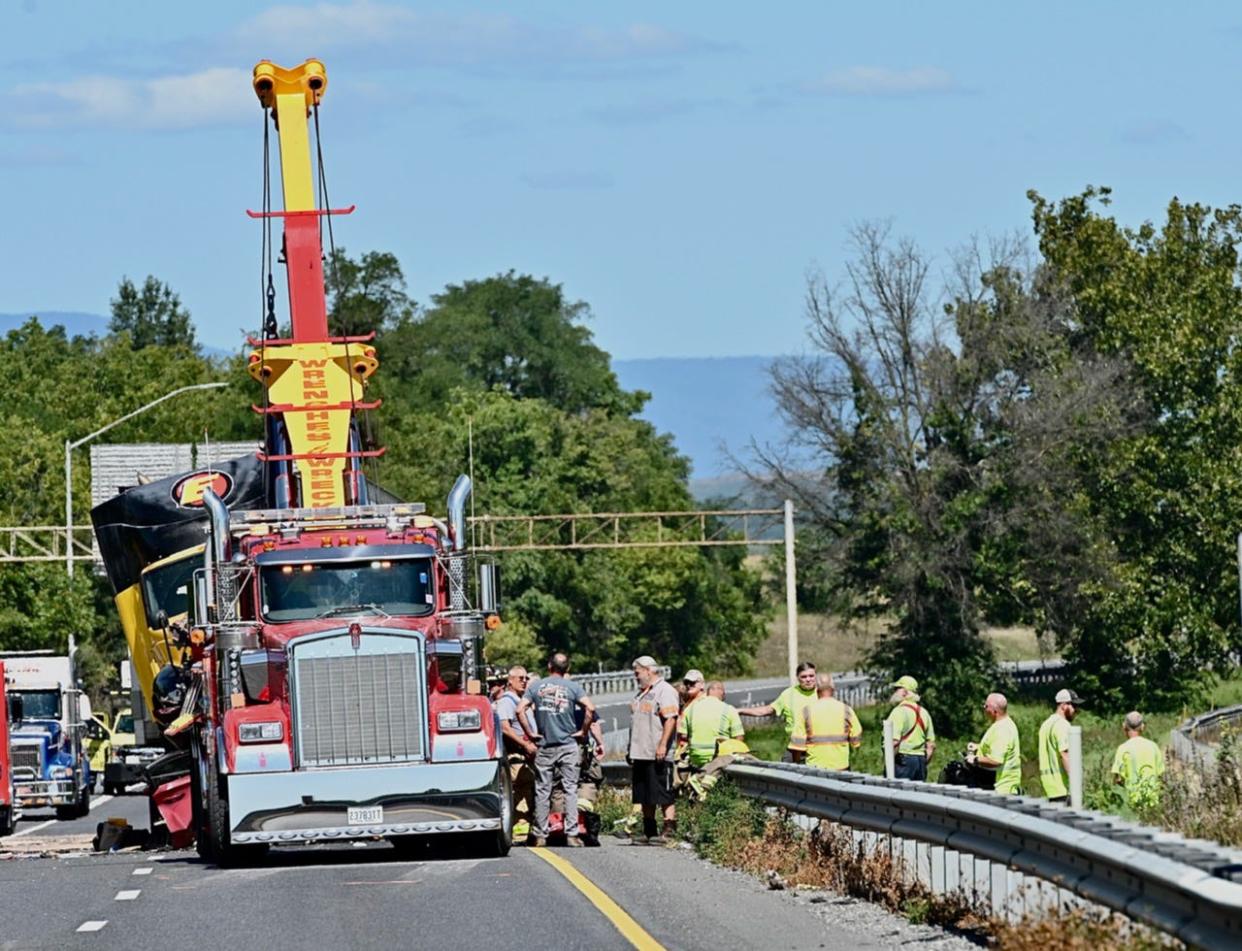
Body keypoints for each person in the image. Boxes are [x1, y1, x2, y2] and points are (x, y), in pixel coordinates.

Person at [517, 652, 596, 848]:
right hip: (568, 744)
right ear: (567, 669)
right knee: (570, 789)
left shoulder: (535, 686)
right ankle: (571, 834)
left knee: (543, 790)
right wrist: (583, 732)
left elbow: (519, 710)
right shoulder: (573, 687)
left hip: (545, 744)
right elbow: (590, 709)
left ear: (549, 666)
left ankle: (541, 835)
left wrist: (530, 732)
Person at [628, 654, 681, 843]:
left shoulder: (664, 691)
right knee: (645, 793)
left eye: (638, 672)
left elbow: (671, 719)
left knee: (663, 791)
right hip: (640, 752)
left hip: (657, 752)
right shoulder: (642, 692)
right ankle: (649, 830)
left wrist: (663, 745)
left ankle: (669, 828)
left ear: (649, 671)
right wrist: (630, 749)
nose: (636, 676)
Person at [737, 662, 819, 762]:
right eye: (804, 677)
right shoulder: (789, 694)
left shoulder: (821, 693)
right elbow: (767, 710)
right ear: (798, 678)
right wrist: (741, 711)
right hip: (795, 746)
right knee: (786, 771)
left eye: (811, 676)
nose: (808, 679)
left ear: (816, 676)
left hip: (818, 745)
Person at [493, 665, 537, 842]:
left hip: (526, 756)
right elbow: (505, 728)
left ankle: (523, 830)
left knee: (526, 793)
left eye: (526, 678)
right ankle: (519, 833)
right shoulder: (506, 702)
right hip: (516, 756)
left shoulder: (520, 701)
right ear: (510, 681)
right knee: (520, 795)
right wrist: (525, 745)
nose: (524, 681)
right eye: (521, 678)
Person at [789, 673, 862, 770]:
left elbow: (797, 744)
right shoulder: (846, 710)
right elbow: (856, 740)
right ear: (833, 688)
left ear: (817, 689)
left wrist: (797, 764)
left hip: (815, 769)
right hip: (841, 768)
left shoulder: (806, 711)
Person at [678, 680, 745, 770]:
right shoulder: (728, 709)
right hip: (718, 758)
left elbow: (683, 735)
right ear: (722, 693)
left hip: (696, 757)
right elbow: (739, 738)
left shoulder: (690, 708)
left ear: (707, 692)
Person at [884, 675, 935, 781]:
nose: (894, 692)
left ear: (905, 692)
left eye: (897, 689)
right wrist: (923, 762)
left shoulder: (898, 712)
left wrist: (889, 766)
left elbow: (893, 742)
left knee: (897, 795)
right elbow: (931, 746)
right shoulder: (924, 713)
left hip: (902, 761)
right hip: (920, 761)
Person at [968, 692, 1022, 795]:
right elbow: (996, 747)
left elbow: (996, 761)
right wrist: (978, 747)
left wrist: (975, 759)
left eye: (986, 706)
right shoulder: (1003, 724)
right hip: (998, 787)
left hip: (1002, 789)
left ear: (994, 711)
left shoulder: (1002, 729)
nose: (984, 708)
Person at [1111, 711, 1165, 809]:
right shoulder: (1153, 747)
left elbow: (1118, 780)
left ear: (1124, 727)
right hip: (1152, 802)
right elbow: (1161, 777)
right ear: (1142, 727)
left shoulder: (1123, 748)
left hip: (1131, 803)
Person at [1038, 688, 1084, 803]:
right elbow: (1065, 755)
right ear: (1064, 705)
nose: (1076, 710)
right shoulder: (1063, 725)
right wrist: (1076, 784)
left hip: (1048, 786)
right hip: (1061, 787)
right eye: (1074, 706)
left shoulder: (1046, 724)